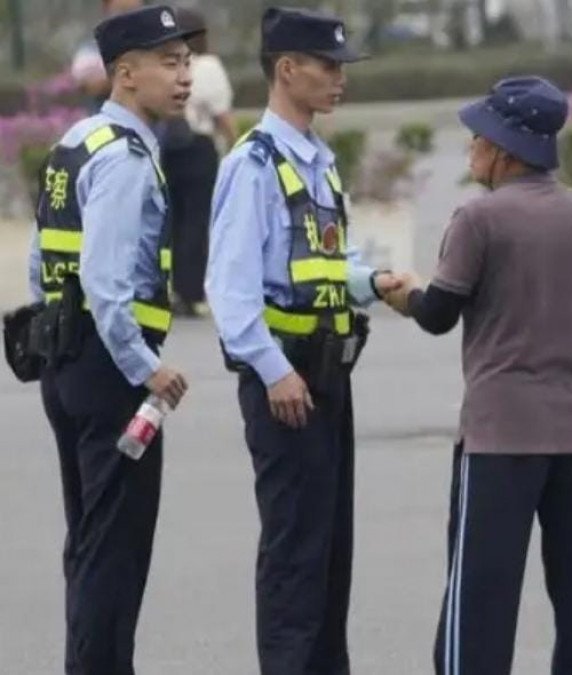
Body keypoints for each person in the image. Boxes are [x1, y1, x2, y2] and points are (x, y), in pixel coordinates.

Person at [384, 76, 572, 675]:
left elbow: (439, 315)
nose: (471, 149)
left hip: (501, 446)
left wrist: (407, 294)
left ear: (505, 149)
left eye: (477, 138)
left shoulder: (478, 220)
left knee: (480, 608)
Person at [205, 7, 401, 673]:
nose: (339, 80)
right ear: (286, 69)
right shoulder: (253, 165)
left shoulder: (317, 160)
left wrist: (372, 280)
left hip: (327, 378)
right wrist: (270, 369)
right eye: (328, 66)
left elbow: (315, 265)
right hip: (284, 384)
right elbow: (229, 289)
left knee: (329, 552)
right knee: (294, 552)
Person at [28, 5, 197, 672]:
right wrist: (144, 364)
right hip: (109, 374)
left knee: (91, 541)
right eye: (168, 62)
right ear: (125, 75)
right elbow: (105, 277)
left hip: (64, 361)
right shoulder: (125, 160)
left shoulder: (77, 143)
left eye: (186, 61)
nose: (184, 75)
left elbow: (44, 261)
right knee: (114, 552)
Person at [161, 7, 235, 317]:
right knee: (196, 219)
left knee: (173, 219)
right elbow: (221, 114)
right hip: (199, 145)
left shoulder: (165, 66)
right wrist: (236, 144)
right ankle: (190, 291)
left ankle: (171, 287)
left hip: (168, 146)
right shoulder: (208, 66)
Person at [70, 0, 145, 113]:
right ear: (107, 8)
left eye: (133, 11)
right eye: (122, 11)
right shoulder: (93, 45)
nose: (127, 18)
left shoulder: (152, 42)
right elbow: (91, 84)